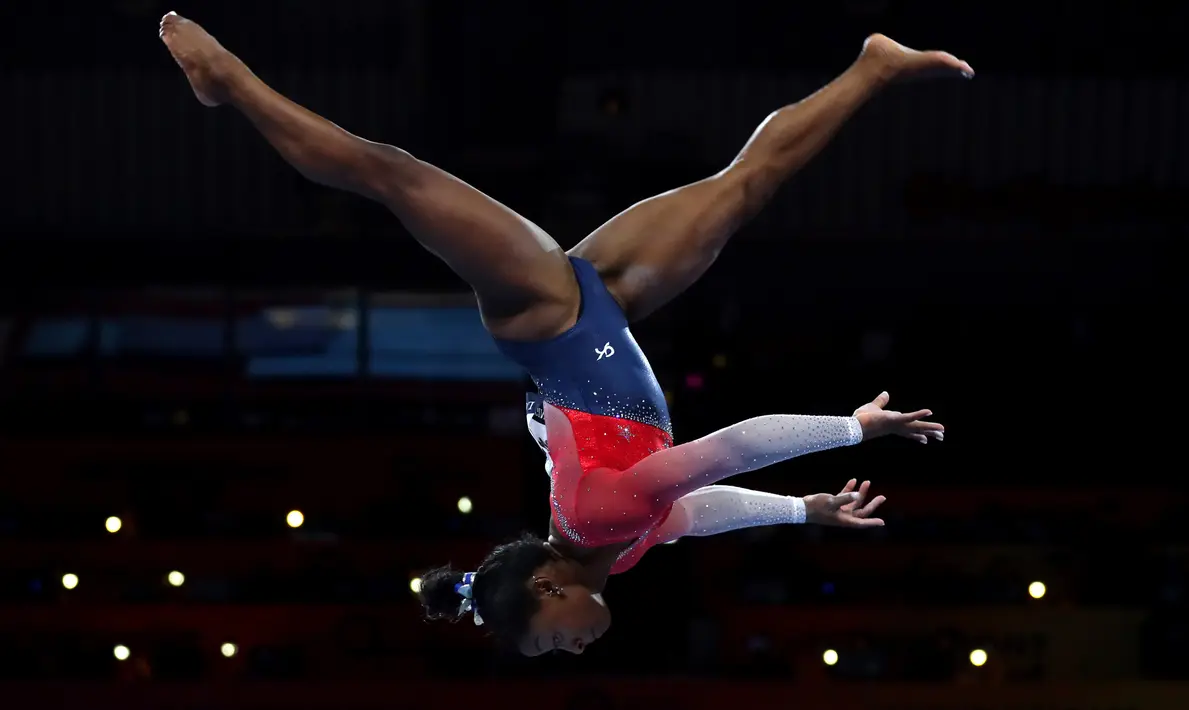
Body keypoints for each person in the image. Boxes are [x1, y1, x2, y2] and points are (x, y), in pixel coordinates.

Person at [158, 11, 969, 656]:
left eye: (549, 645)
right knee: (743, 188)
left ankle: (227, 80)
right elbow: (702, 510)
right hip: (601, 312)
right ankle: (873, 64)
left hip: (544, 313)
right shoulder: (615, 549)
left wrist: (851, 429)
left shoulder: (601, 514)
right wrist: (801, 514)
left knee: (393, 174)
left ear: (548, 590)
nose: (572, 650)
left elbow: (729, 447)